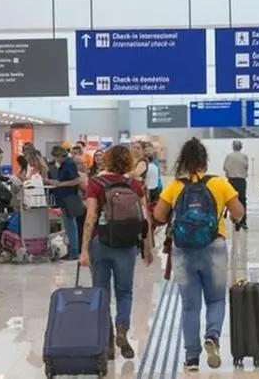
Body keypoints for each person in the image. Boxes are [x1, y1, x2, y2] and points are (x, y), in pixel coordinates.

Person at [153, 138, 245, 372]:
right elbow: (239, 213)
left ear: (184, 160)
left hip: (183, 250)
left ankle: (191, 359)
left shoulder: (175, 186)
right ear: (205, 160)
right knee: (215, 299)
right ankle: (212, 336)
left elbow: (159, 216)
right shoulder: (219, 183)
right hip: (214, 246)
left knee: (189, 306)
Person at [80, 145, 154, 360]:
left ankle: (108, 340)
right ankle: (122, 330)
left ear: (107, 161)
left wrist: (84, 249)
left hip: (100, 243)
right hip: (127, 245)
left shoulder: (95, 183)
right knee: (125, 292)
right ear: (129, 162)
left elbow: (91, 217)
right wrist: (147, 247)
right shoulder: (135, 184)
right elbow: (145, 219)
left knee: (101, 291)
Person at [50, 146, 84, 261]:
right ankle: (72, 249)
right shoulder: (66, 164)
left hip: (69, 197)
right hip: (65, 197)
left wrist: (60, 184)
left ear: (60, 155)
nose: (56, 160)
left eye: (56, 157)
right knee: (69, 224)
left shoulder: (69, 164)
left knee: (70, 224)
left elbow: (76, 180)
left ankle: (74, 251)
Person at [223, 140, 249, 231]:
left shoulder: (229, 156)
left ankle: (234, 219)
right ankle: (243, 221)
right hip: (241, 181)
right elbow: (246, 167)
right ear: (241, 147)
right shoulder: (244, 156)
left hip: (231, 181)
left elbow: (225, 168)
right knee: (242, 200)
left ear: (233, 147)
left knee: (232, 200)